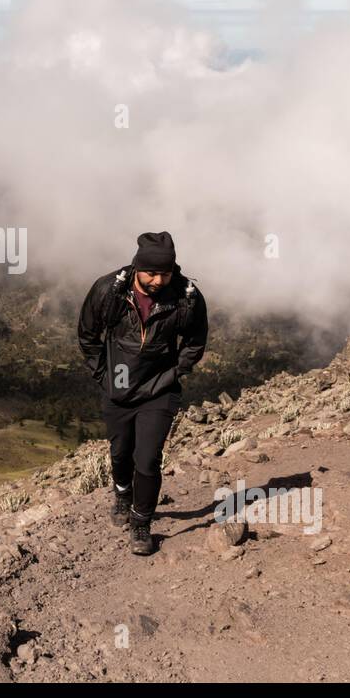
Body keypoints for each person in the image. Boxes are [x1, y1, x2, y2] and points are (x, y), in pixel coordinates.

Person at [77, 231, 208, 555]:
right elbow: (87, 335)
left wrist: (176, 372)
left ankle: (141, 523)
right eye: (151, 273)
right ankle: (122, 493)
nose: (158, 280)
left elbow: (195, 340)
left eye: (165, 273)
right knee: (121, 453)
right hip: (118, 387)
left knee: (148, 459)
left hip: (160, 390)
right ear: (137, 267)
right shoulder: (109, 290)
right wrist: (103, 375)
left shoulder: (187, 297)